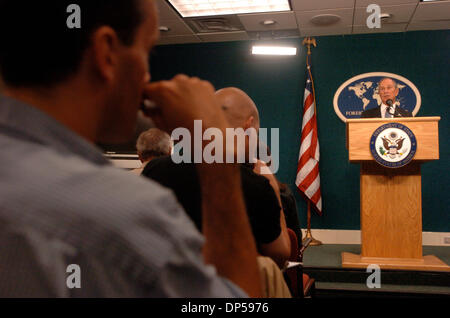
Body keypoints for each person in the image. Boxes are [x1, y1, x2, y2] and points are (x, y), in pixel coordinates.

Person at [0, 0, 261, 297]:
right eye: (146, 51)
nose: (146, 76)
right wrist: (218, 162)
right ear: (107, 52)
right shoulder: (128, 213)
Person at [143, 87, 291, 268]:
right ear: (249, 127)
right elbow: (279, 256)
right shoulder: (257, 186)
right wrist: (273, 188)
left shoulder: (155, 170)